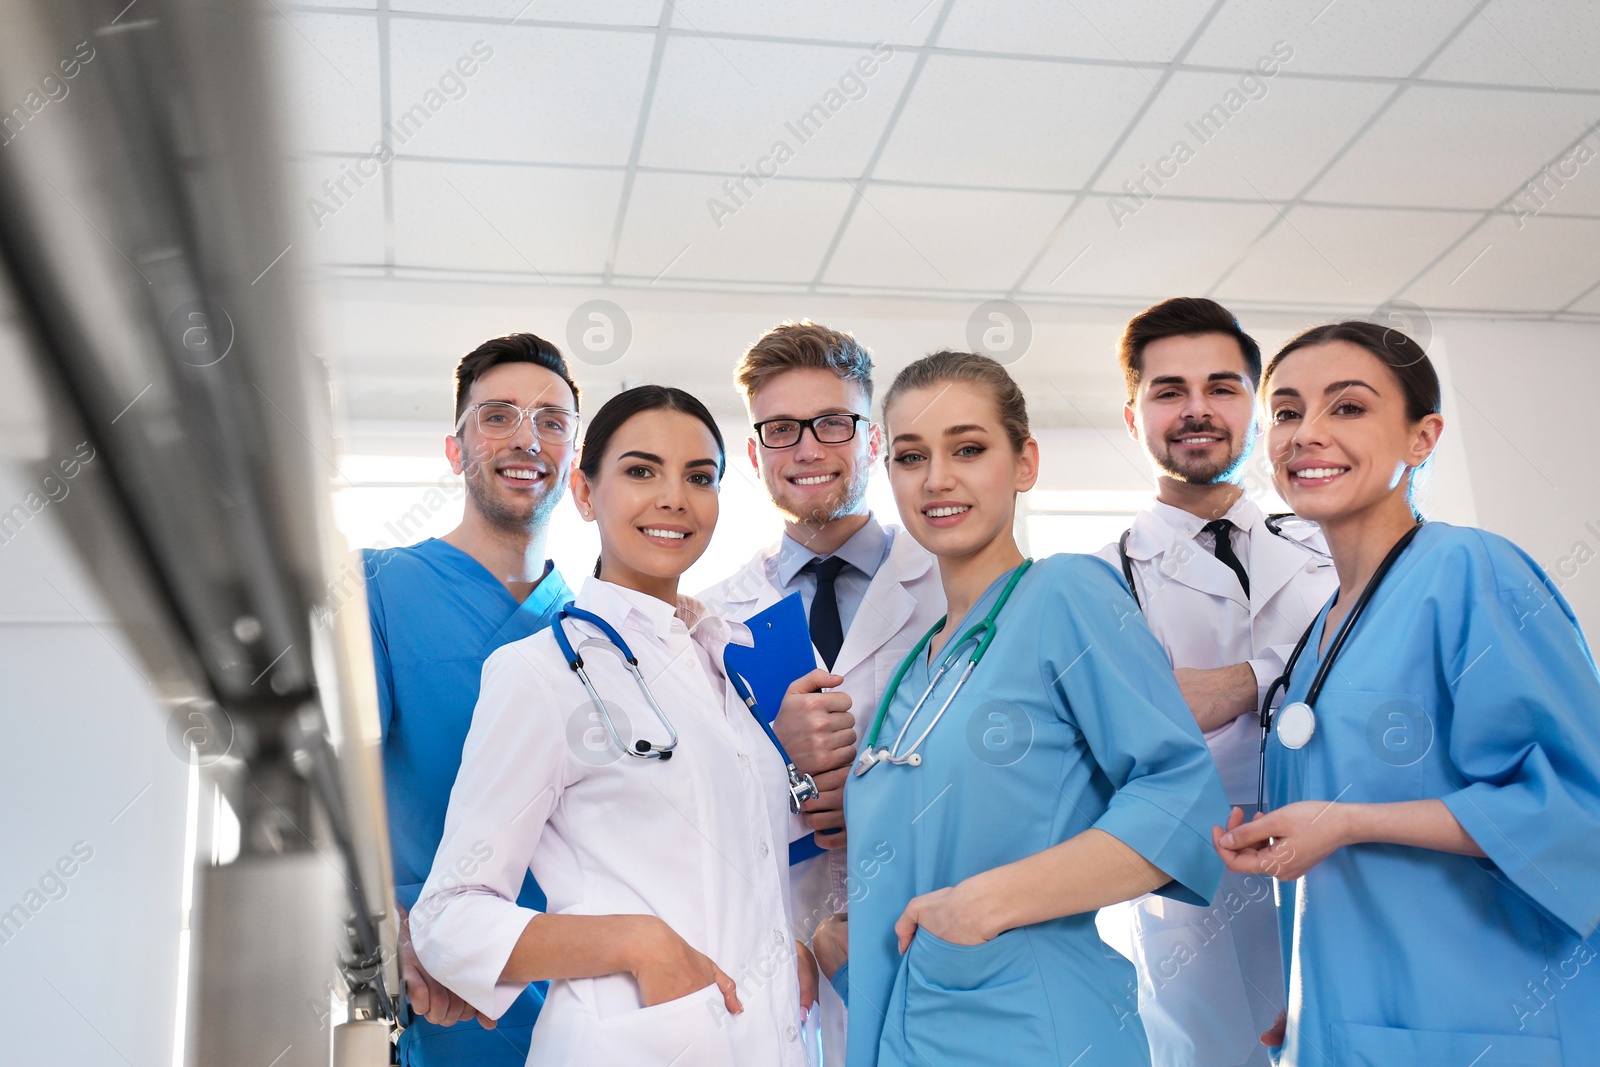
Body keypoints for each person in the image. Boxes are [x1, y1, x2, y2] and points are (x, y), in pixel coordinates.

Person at [820, 350, 1227, 1066]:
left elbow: (1182, 796)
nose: (937, 478)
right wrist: (841, 939)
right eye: (911, 457)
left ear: (1026, 462)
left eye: (968, 449)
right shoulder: (918, 669)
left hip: (1038, 1031)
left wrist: (986, 904)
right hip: (912, 1037)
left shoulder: (1068, 593)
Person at [1214, 321, 1600, 1065]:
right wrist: (1312, 989)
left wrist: (1346, 821)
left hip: (1479, 1019)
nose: (1307, 433)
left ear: (1422, 438)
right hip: (1351, 1022)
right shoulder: (1320, 633)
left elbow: (1580, 806)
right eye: (1288, 412)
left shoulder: (1470, 570)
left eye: (1347, 407)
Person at [411, 385, 813, 1067]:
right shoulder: (540, 672)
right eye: (641, 470)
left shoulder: (730, 662)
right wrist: (638, 942)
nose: (674, 497)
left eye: (699, 477)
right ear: (585, 492)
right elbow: (447, 917)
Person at [1094, 298, 1336, 1066]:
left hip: (1344, 862)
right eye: (1169, 391)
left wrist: (1242, 683)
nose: (1198, 409)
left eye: (1222, 388)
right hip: (1192, 892)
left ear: (1256, 410)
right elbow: (1111, 740)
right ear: (1134, 416)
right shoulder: (1096, 580)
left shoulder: (1334, 545)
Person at [698, 321, 944, 1067]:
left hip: (933, 938)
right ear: (753, 454)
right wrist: (790, 772)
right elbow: (691, 807)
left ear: (873, 439)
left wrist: (876, 799)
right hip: (780, 958)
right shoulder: (713, 620)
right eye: (780, 429)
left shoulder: (949, 589)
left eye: (833, 422)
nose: (807, 448)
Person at [363, 332, 581, 1065]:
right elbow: (331, 789)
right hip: (443, 999)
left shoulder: (595, 628)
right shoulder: (380, 588)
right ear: (455, 449)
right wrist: (390, 928)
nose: (528, 439)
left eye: (552, 421)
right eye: (498, 416)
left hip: (583, 1005)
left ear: (574, 458)